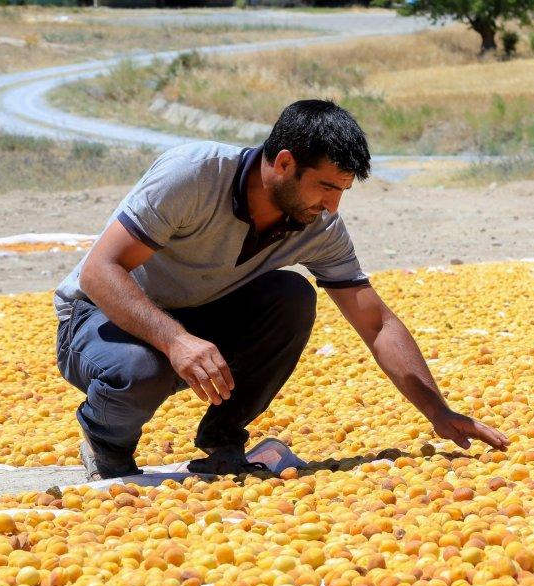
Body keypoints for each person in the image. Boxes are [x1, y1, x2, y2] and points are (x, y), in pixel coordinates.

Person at [53, 99, 509, 480]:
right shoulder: (193, 176)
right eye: (326, 187)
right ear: (285, 162)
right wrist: (176, 341)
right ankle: (105, 441)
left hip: (196, 319)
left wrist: (438, 411)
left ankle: (223, 439)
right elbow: (99, 272)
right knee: (140, 368)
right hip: (99, 319)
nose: (332, 205)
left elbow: (376, 322)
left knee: (292, 295)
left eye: (343, 190)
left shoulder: (318, 225)